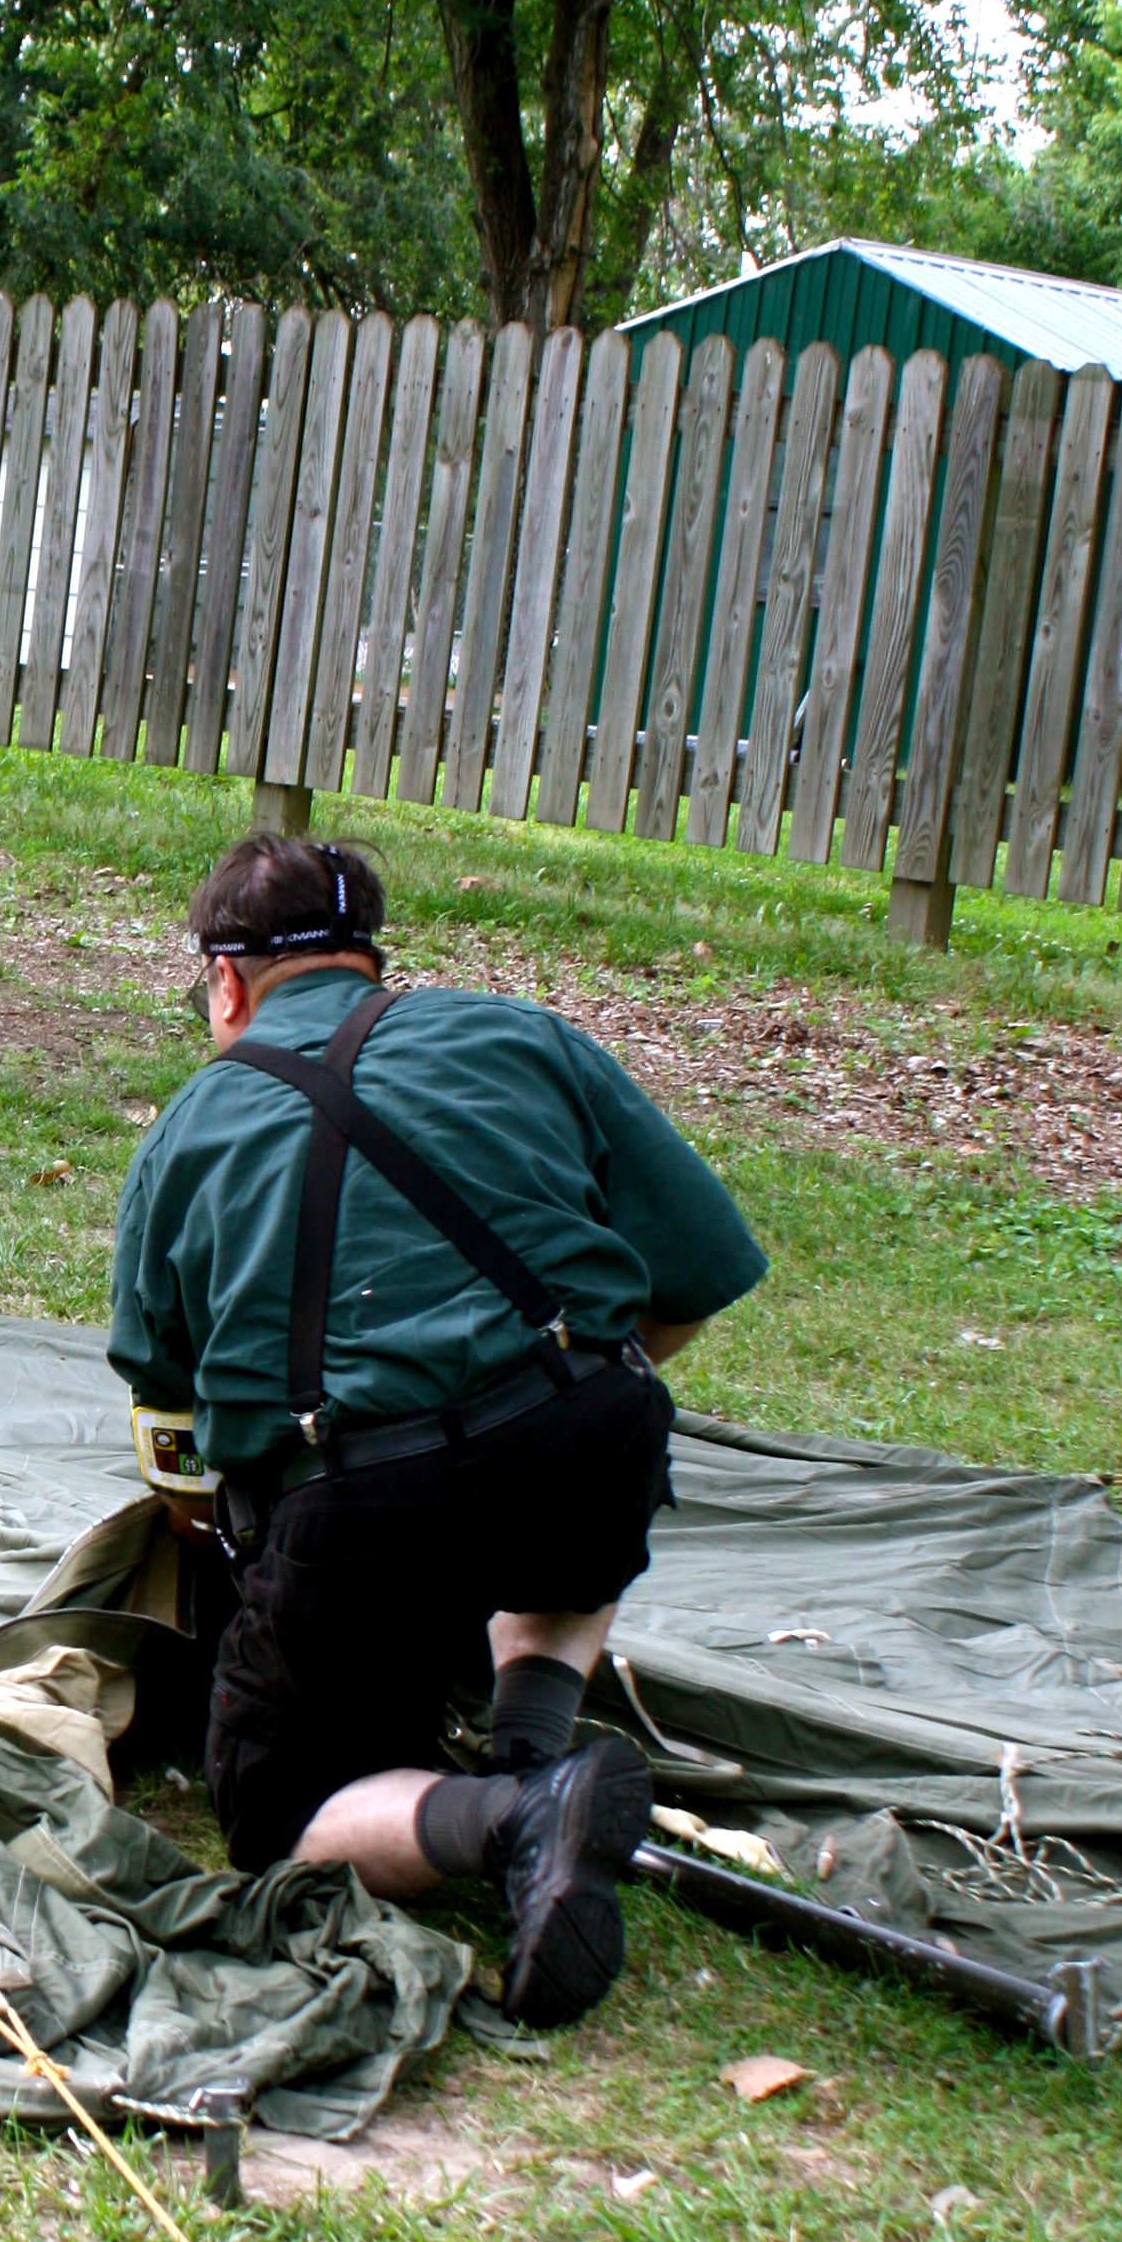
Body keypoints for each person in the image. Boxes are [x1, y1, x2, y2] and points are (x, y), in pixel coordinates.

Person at [110, 831, 765, 2026]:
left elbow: (165, 1416)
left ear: (223, 985)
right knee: (568, 1489)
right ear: (368, 959)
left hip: (360, 1509)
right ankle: (533, 1746)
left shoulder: (186, 1132)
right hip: (587, 1439)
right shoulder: (521, 1036)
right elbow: (699, 1274)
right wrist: (579, 1380)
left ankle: (512, 1814)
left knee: (279, 1821)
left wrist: (229, 1542)